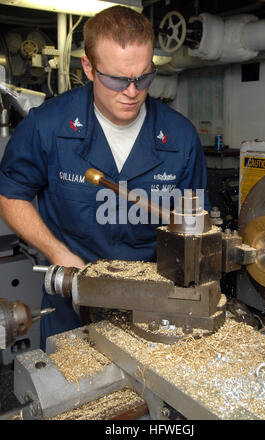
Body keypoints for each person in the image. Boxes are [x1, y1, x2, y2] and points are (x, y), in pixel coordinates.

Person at [0, 6, 209, 351]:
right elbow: (11, 194)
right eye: (117, 79)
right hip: (72, 303)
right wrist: (57, 252)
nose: (131, 91)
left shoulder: (180, 137)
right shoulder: (48, 126)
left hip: (152, 308)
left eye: (143, 77)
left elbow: (195, 223)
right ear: (88, 68)